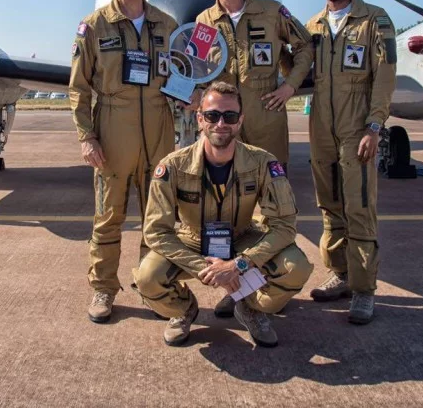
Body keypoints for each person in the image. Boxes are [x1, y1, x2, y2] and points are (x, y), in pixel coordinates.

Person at [134, 82, 312, 347]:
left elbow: (284, 226)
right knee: (147, 277)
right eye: (212, 115)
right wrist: (205, 269)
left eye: (229, 116)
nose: (220, 123)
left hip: (243, 237)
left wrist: (240, 265)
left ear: (240, 121)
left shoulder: (263, 163)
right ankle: (184, 310)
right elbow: (156, 231)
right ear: (200, 119)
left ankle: (250, 306)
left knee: (295, 267)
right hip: (193, 241)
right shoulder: (172, 166)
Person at [69, 0, 180, 324]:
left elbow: (180, 76)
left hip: (159, 125)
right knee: (108, 217)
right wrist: (87, 137)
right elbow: (78, 89)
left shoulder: (166, 24)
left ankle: (152, 287)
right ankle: (103, 288)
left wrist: (195, 95)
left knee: (158, 218)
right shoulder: (94, 26)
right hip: (113, 128)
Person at [304, 0, 397, 325]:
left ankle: (364, 290)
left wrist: (375, 125)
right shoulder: (313, 25)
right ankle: (340, 275)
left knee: (359, 206)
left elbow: (385, 75)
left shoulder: (374, 19)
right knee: (329, 204)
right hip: (320, 125)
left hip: (356, 125)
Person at [193, 0, 313, 169]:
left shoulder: (271, 12)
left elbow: (305, 44)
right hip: (224, 122)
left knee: (273, 190)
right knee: (226, 193)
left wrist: (290, 86)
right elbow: (197, 65)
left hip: (266, 116)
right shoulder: (205, 21)